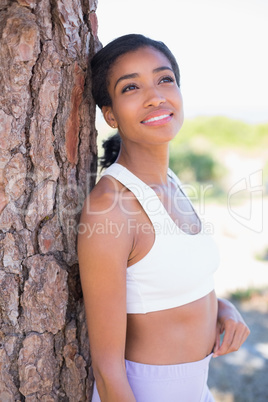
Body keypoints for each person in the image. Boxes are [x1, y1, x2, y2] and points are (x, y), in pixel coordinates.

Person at [78, 34, 250, 402]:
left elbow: (165, 281)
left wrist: (224, 307)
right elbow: (108, 373)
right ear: (110, 114)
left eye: (164, 79)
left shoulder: (170, 183)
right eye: (131, 87)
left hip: (197, 388)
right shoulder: (111, 208)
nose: (155, 95)